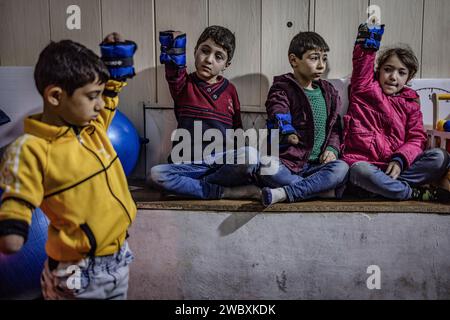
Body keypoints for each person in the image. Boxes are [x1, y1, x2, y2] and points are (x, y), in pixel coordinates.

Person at [0, 33, 138, 299]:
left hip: (119, 257)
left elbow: (109, 98)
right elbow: (18, 192)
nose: (99, 104)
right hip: (78, 269)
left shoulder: (92, 128)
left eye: (99, 94)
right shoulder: (32, 148)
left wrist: (113, 58)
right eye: (91, 96)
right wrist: (12, 227)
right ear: (55, 96)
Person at [149, 26, 260, 200]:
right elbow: (174, 68)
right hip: (189, 165)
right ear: (194, 51)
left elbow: (237, 131)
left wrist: (240, 164)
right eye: (205, 51)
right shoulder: (183, 85)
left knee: (251, 155)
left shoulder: (230, 90)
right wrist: (175, 42)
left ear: (226, 65)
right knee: (156, 174)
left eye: (218, 56)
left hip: (219, 164)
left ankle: (194, 188)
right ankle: (224, 192)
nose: (209, 60)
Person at [342, 22, 450, 202]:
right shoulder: (364, 88)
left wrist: (400, 159)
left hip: (399, 168)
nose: (393, 77)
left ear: (409, 77)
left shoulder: (411, 102)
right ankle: (410, 193)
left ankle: (380, 189)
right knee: (358, 171)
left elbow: (416, 138)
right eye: (388, 70)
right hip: (366, 165)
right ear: (378, 71)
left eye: (401, 72)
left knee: (440, 157)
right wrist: (369, 36)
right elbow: (363, 62)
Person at [258, 31, 349, 207]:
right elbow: (278, 109)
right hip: (288, 163)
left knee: (342, 169)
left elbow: (335, 128)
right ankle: (320, 191)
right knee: (266, 168)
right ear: (294, 60)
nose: (321, 65)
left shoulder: (329, 93)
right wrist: (287, 130)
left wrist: (332, 148)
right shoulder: (282, 88)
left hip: (317, 167)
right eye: (314, 58)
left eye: (324, 58)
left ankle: (285, 192)